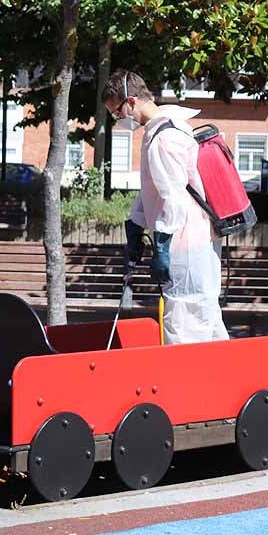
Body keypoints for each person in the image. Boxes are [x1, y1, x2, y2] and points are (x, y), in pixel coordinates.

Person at [103, 69, 229, 344]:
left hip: (185, 243)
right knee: (205, 318)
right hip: (195, 239)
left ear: (132, 102)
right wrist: (136, 224)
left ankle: (191, 386)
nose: (118, 120)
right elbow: (155, 187)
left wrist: (161, 246)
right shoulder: (167, 127)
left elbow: (173, 197)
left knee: (185, 323)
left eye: (116, 112)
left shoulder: (163, 137)